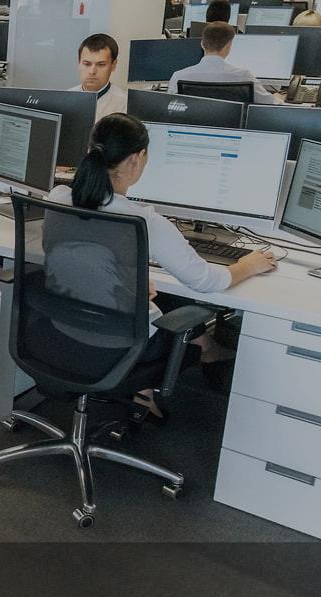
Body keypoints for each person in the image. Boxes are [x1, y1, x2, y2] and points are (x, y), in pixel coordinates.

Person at [48, 113, 276, 418]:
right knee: (181, 306)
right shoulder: (145, 221)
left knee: (162, 296)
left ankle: (146, 391)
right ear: (136, 159)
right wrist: (249, 264)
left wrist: (127, 281)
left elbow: (77, 256)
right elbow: (206, 281)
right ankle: (204, 353)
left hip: (61, 329)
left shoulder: (57, 197)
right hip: (124, 343)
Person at [168, 22, 276, 104]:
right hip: (232, 126)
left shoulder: (179, 76)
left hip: (192, 126)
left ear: (202, 44)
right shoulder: (243, 76)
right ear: (228, 46)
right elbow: (270, 104)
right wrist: (277, 98)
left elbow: (170, 107)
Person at [69, 33, 127, 122]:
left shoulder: (125, 104)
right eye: (87, 64)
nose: (92, 72)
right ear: (79, 63)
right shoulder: (65, 99)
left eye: (101, 64)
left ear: (113, 65)